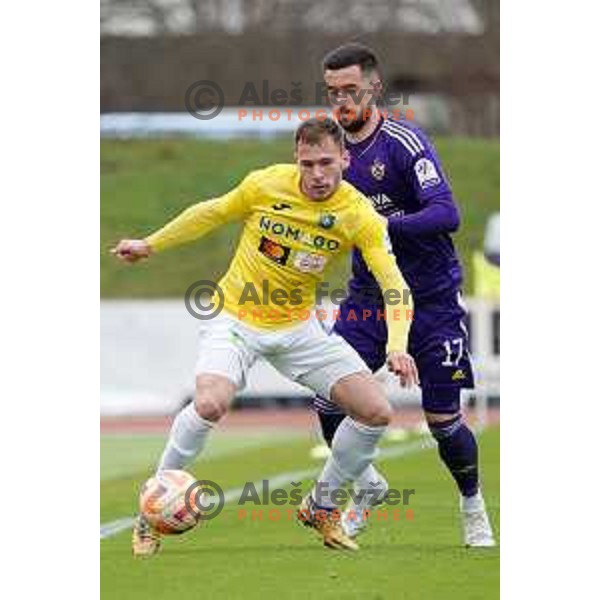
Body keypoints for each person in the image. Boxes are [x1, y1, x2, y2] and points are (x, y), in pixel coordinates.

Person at [112, 117, 418, 555]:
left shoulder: (358, 214)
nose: (316, 174)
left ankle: (322, 506)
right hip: (236, 317)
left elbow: (394, 283)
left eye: (326, 163)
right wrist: (151, 244)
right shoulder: (266, 185)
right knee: (210, 403)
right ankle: (150, 514)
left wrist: (398, 345)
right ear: (296, 159)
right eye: (308, 163)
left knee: (376, 411)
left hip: (298, 327)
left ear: (345, 160)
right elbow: (212, 212)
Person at [312, 43, 495, 547]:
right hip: (369, 299)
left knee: (443, 422)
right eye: (332, 93)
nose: (341, 102)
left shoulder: (404, 141)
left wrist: (382, 226)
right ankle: (368, 486)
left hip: (431, 300)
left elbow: (446, 213)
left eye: (350, 90)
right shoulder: (331, 152)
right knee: (329, 398)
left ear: (373, 87)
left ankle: (472, 504)